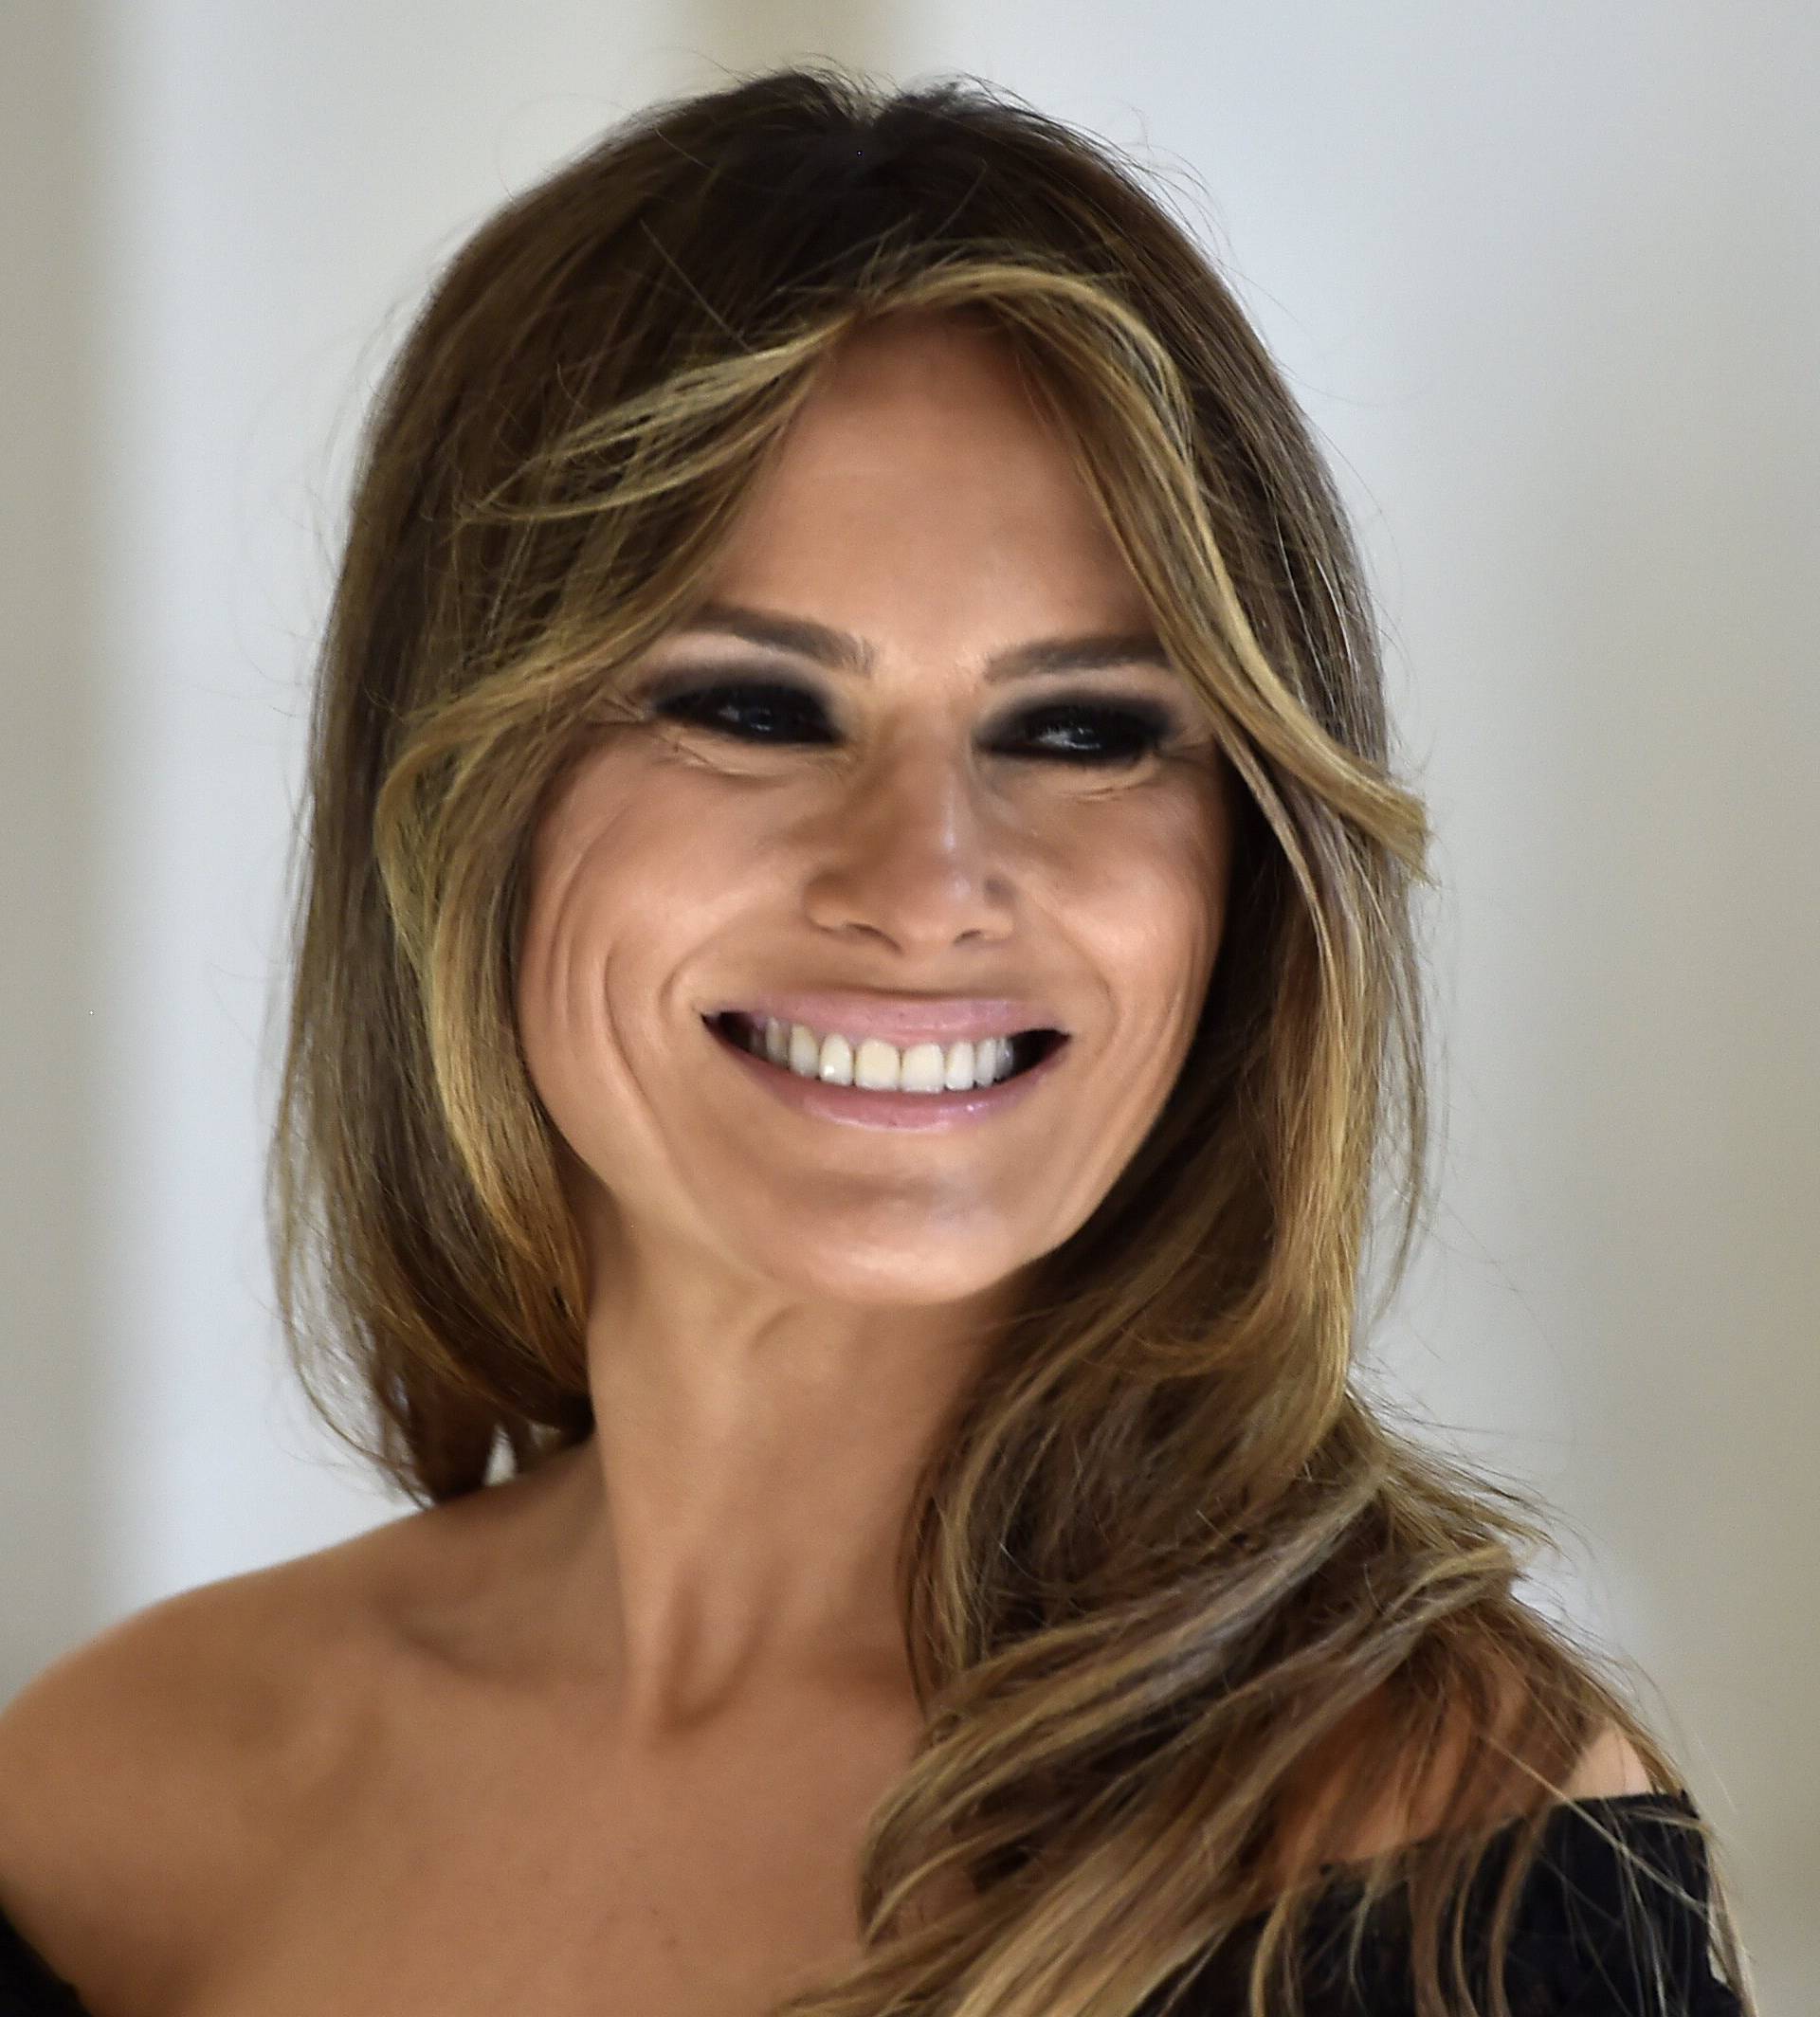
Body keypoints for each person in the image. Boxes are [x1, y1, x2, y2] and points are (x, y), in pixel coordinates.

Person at [0, 63, 1756, 2017]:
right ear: (459, 796)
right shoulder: (108, 1817)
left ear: (1250, 872)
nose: (926, 884)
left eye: (1082, 728)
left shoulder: (1449, 1849)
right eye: (753, 707)